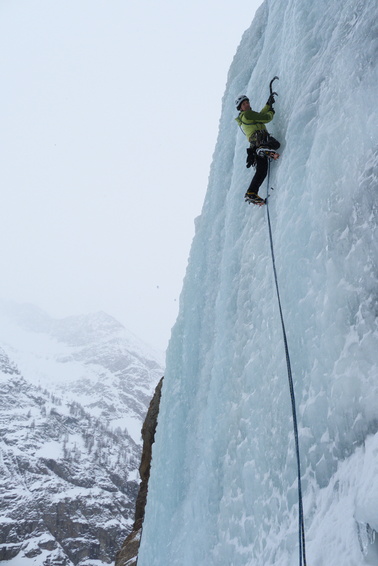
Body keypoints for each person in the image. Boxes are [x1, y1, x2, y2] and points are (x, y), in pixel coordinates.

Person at [235, 94, 280, 204]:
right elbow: (265, 118)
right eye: (244, 104)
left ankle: (251, 192)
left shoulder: (245, 116)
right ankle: (264, 148)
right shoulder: (247, 114)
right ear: (240, 108)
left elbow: (259, 116)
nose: (246, 105)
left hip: (255, 145)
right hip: (261, 140)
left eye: (247, 102)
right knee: (275, 144)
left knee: (262, 170)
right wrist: (271, 112)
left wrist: (268, 105)